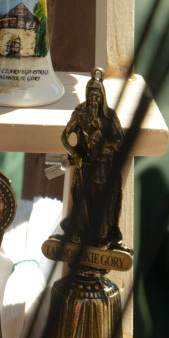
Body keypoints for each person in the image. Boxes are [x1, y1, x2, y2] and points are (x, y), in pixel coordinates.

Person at [59, 68, 125, 251]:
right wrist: (76, 154)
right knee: (83, 202)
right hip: (85, 167)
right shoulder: (81, 113)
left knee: (103, 202)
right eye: (91, 94)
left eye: (97, 95)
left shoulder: (109, 117)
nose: (94, 99)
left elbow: (120, 141)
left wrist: (107, 147)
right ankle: (82, 234)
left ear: (102, 97)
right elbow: (65, 135)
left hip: (103, 168)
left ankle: (103, 236)